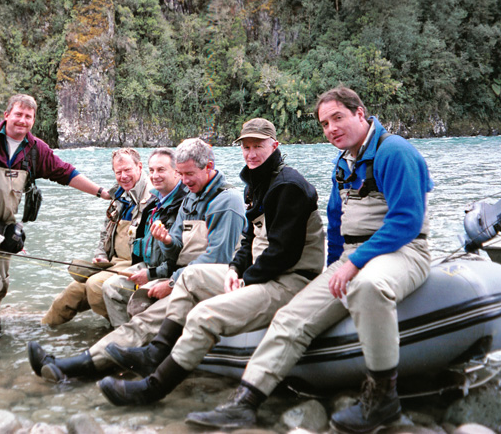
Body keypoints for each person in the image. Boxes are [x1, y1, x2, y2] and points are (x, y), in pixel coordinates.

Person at [186, 86, 433, 434]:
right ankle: (246, 401)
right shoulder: (343, 161)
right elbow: (335, 223)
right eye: (324, 123)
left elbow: (407, 220)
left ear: (360, 113)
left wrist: (353, 264)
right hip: (353, 254)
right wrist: (332, 268)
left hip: (403, 251)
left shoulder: (395, 152)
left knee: (368, 285)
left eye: (338, 118)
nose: (331, 128)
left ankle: (383, 399)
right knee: (289, 317)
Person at [97, 118, 326, 406]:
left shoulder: (288, 186)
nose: (251, 153)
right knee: (191, 277)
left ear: (275, 146)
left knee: (203, 314)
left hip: (291, 278)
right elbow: (248, 242)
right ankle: (156, 352)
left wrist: (246, 279)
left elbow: (283, 254)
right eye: (246, 147)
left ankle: (152, 389)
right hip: (264, 273)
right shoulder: (256, 183)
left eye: (258, 146)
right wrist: (234, 269)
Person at [27, 138, 246, 382]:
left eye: (189, 174)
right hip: (185, 278)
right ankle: (76, 363)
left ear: (209, 166)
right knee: (133, 317)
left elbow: (217, 259)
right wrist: (167, 242)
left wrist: (169, 282)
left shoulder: (227, 201)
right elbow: (175, 251)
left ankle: (72, 367)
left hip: (204, 284)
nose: (185, 181)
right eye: (181, 174)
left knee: (141, 323)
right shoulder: (191, 197)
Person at [0, 94, 109, 338]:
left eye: (28, 116)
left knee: (0, 283)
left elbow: (66, 173)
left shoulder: (34, 150)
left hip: (3, 225)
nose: (22, 120)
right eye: (18, 114)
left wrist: (101, 192)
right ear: (6, 115)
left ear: (33, 120)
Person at [41, 148, 152, 326]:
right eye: (118, 172)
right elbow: (104, 234)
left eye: (128, 170)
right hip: (113, 263)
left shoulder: (154, 196)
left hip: (136, 265)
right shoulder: (119, 196)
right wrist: (100, 255)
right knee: (71, 293)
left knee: (94, 285)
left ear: (139, 167)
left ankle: (123, 330)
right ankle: (42, 331)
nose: (123, 176)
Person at [102, 148, 188, 327]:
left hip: (167, 272)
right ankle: (122, 335)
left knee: (131, 296)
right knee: (110, 287)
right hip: (148, 265)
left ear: (177, 172)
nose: (155, 176)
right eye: (152, 170)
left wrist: (149, 274)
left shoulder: (184, 204)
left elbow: (180, 259)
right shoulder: (154, 203)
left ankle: (136, 338)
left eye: (161, 170)